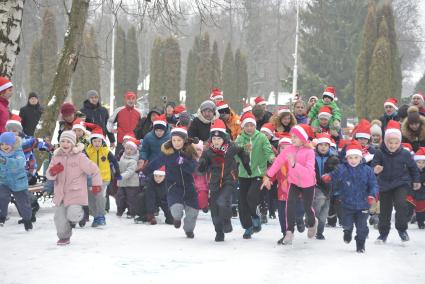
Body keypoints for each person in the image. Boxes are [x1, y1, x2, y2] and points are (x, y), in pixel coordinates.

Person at [198, 119, 251, 242]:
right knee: (215, 209)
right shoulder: (208, 152)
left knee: (223, 200)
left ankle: (227, 221)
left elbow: (242, 150)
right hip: (214, 181)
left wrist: (246, 164)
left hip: (229, 178)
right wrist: (202, 165)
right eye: (214, 139)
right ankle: (219, 231)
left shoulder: (231, 147)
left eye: (219, 139)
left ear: (224, 139)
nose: (216, 141)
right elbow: (201, 168)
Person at [263, 124, 317, 245]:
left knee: (307, 207)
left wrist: (294, 165)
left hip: (308, 184)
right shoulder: (289, 149)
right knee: (289, 205)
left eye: (295, 137)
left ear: (303, 138)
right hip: (294, 183)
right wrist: (268, 176)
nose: (292, 139)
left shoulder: (310, 152)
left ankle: (313, 223)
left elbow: (308, 172)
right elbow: (277, 163)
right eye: (291, 136)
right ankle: (289, 232)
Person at [46, 130, 102, 245]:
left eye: (68, 141)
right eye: (63, 141)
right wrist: (53, 172)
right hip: (60, 194)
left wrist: (96, 184)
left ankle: (81, 216)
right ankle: (64, 236)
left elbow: (94, 169)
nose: (65, 144)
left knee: (73, 214)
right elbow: (49, 175)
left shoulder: (80, 157)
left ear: (73, 143)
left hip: (76, 193)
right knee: (59, 219)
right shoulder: (56, 157)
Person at [322, 140, 378, 253]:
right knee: (347, 224)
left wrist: (372, 195)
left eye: (356, 157)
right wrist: (328, 177)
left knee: (361, 227)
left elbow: (374, 185)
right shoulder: (342, 168)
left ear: (360, 157)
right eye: (350, 157)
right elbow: (334, 175)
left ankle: (360, 245)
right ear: (346, 158)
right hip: (346, 203)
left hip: (363, 204)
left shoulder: (367, 170)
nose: (353, 160)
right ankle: (347, 231)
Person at [145, 126, 200, 239]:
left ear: (184, 141)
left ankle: (189, 230)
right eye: (174, 140)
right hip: (174, 187)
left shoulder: (189, 153)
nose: (176, 143)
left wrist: (183, 162)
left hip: (190, 187)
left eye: (179, 140)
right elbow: (155, 163)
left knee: (193, 212)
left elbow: (194, 169)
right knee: (176, 209)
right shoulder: (168, 154)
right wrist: (144, 171)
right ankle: (177, 218)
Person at [371, 120, 420, 243]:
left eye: (396, 142)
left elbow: (413, 168)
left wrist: (416, 180)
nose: (392, 145)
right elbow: (373, 165)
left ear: (400, 142)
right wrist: (376, 169)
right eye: (390, 142)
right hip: (385, 184)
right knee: (385, 210)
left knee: (401, 205)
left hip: (401, 183)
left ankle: (402, 229)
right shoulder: (379, 153)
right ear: (385, 141)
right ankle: (383, 234)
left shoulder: (405, 154)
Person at [235, 112, 275, 239]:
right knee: (242, 202)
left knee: (251, 197)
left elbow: (268, 150)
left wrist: (271, 158)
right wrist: (242, 150)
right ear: (243, 127)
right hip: (243, 174)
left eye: (251, 125)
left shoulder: (261, 138)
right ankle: (248, 227)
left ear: (255, 126)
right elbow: (235, 154)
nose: (249, 128)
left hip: (258, 173)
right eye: (246, 126)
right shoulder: (240, 138)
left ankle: (254, 215)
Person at [85, 128, 120, 227]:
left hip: (104, 178)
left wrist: (117, 173)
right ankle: (96, 217)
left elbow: (114, 161)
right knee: (90, 198)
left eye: (99, 141)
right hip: (90, 178)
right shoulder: (87, 152)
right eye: (95, 141)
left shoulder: (106, 151)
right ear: (91, 141)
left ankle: (101, 216)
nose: (97, 143)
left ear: (102, 141)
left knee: (99, 195)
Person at [0, 132, 33, 230]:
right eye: (1, 144)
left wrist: (6, 161)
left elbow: (19, 163)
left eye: (7, 144)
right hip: (4, 181)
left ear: (13, 144)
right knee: (2, 198)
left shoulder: (18, 152)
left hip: (18, 183)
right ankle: (2, 217)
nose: (4, 146)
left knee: (23, 203)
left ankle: (27, 220)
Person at [313, 133, 339, 240]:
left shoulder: (334, 158)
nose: (323, 147)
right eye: (321, 145)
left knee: (324, 213)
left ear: (329, 146)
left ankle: (319, 232)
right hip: (316, 185)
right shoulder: (312, 156)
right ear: (317, 146)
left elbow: (338, 172)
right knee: (318, 201)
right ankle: (311, 219)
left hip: (329, 188)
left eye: (326, 145)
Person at [107, 92, 143, 156]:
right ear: (125, 100)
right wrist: (111, 129)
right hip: (121, 141)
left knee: (133, 162)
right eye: (129, 99)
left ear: (135, 100)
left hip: (134, 141)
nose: (131, 101)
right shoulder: (119, 110)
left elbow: (143, 125)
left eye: (133, 99)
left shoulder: (139, 112)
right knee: (118, 161)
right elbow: (110, 121)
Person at [116, 137, 141, 218]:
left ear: (135, 150)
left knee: (131, 199)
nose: (129, 151)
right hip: (122, 183)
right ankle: (120, 210)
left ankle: (131, 212)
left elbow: (130, 171)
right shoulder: (122, 157)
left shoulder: (134, 160)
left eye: (131, 149)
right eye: (127, 149)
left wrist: (121, 176)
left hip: (132, 183)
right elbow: (119, 166)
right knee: (120, 197)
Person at [410, 147, 425, 229]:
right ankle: (420, 222)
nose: (421, 164)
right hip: (416, 193)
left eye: (423, 162)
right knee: (420, 210)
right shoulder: (413, 171)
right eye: (419, 162)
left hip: (423, 192)